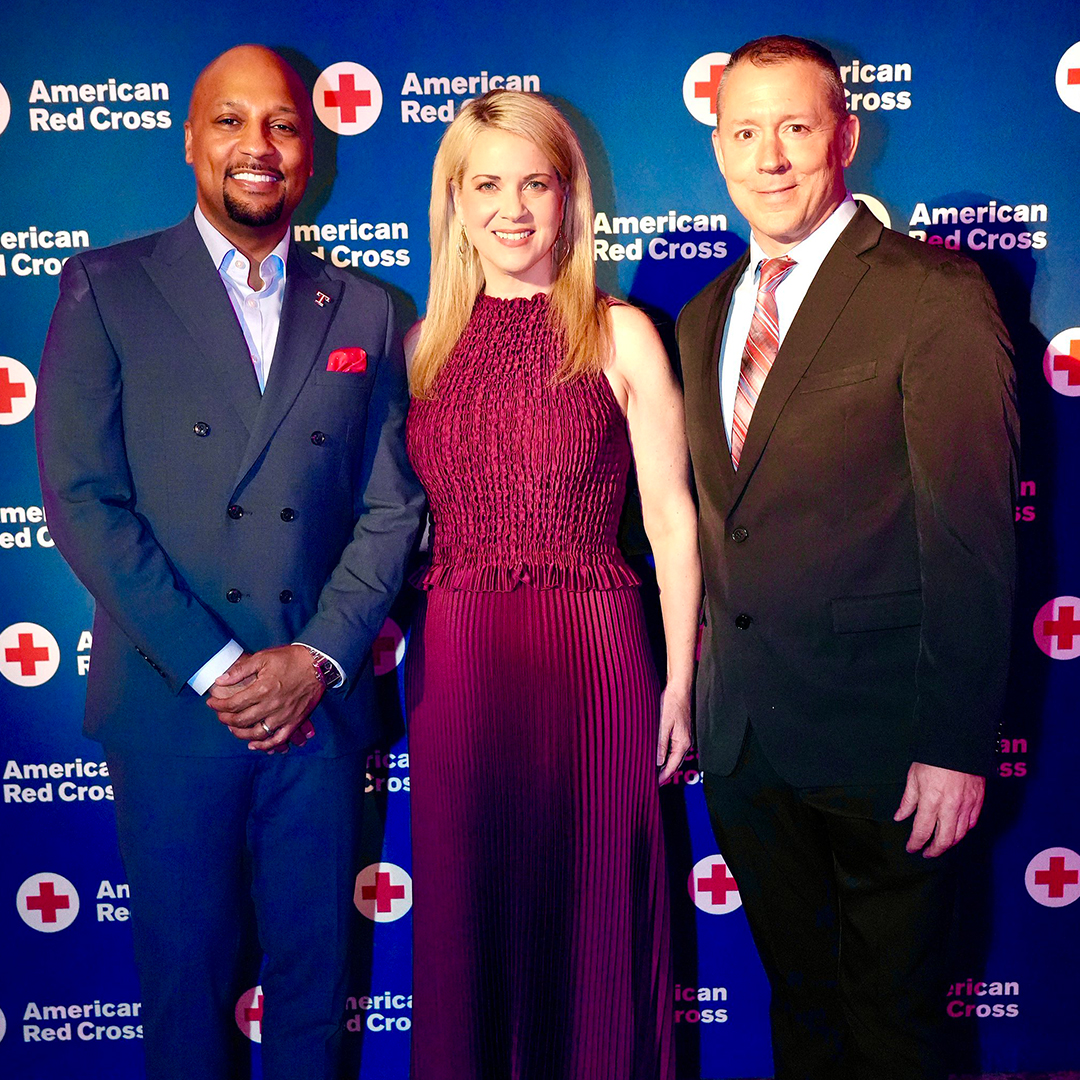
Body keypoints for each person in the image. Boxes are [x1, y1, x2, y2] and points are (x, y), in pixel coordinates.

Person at [35, 44, 422, 1080]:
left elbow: (393, 505)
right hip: (173, 707)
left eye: (284, 126)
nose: (259, 146)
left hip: (319, 710)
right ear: (191, 139)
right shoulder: (106, 286)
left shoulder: (370, 311)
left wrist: (318, 659)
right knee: (186, 1001)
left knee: (315, 992)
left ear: (311, 151)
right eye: (231, 122)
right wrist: (217, 670)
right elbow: (82, 497)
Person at [677, 35, 1018, 1080]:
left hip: (886, 746)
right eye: (745, 131)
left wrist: (957, 743)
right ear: (720, 148)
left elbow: (971, 533)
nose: (769, 156)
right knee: (804, 1013)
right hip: (747, 749)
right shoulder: (701, 317)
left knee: (893, 1026)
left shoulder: (931, 293)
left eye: (796, 126)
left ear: (845, 137)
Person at [404, 89, 701, 1080]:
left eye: (536, 181)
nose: (514, 207)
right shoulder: (422, 349)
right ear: (454, 200)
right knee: (467, 922)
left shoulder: (620, 335)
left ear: (570, 198)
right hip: (462, 669)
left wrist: (682, 682)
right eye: (486, 183)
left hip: (593, 661)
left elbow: (669, 518)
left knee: (597, 928)